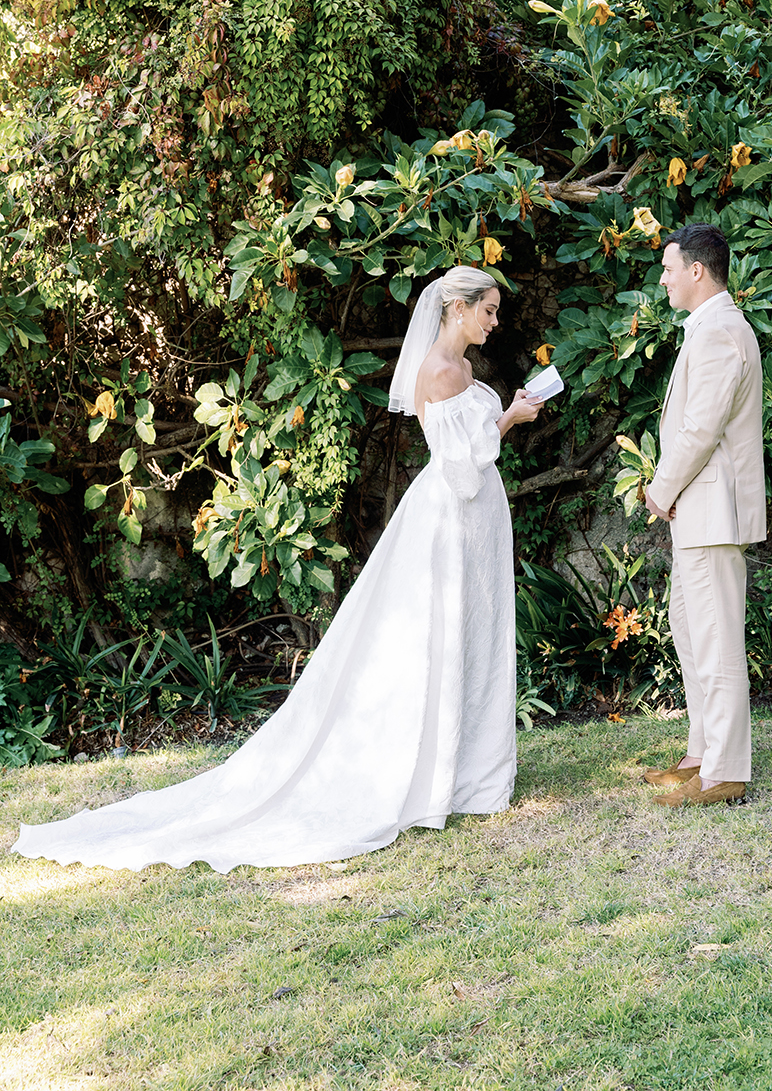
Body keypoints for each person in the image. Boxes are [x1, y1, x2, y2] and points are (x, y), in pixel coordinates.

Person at [12, 267, 543, 872]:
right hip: (451, 514)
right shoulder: (441, 372)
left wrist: (505, 416)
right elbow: (458, 465)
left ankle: (469, 770)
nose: (495, 322)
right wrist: (507, 420)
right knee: (440, 636)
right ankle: (438, 773)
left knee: (475, 631)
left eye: (496, 311)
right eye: (489, 310)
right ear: (456, 308)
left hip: (477, 518)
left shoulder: (465, 369)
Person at [641, 223, 766, 807]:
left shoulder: (719, 332)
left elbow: (701, 428)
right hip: (700, 511)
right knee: (693, 632)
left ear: (697, 271)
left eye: (669, 268)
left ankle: (724, 772)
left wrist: (660, 488)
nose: (662, 278)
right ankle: (701, 754)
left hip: (711, 509)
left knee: (715, 640)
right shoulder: (710, 328)